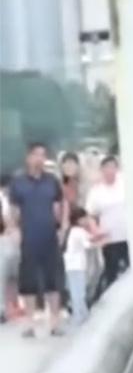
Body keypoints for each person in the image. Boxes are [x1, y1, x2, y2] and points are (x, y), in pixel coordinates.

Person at [8, 141, 65, 336]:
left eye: (43, 155)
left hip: (49, 235)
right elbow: (13, 211)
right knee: (29, 281)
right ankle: (30, 324)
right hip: (28, 237)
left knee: (53, 280)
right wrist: (14, 230)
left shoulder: (52, 181)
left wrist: (62, 227)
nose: (40, 159)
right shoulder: (18, 183)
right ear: (28, 157)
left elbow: (60, 204)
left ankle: (55, 322)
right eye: (36, 154)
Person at [86, 154, 128, 288]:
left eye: (112, 167)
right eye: (107, 167)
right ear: (102, 170)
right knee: (112, 273)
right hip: (109, 239)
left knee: (131, 271)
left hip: (128, 236)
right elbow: (91, 215)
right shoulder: (96, 191)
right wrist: (96, 231)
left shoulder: (125, 183)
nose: (110, 170)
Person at [63, 206, 96, 325]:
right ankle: (79, 314)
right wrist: (101, 241)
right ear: (79, 219)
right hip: (77, 265)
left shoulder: (71, 231)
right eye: (85, 218)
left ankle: (81, 313)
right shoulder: (79, 231)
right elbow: (88, 244)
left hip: (69, 265)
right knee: (79, 291)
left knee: (75, 290)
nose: (87, 220)